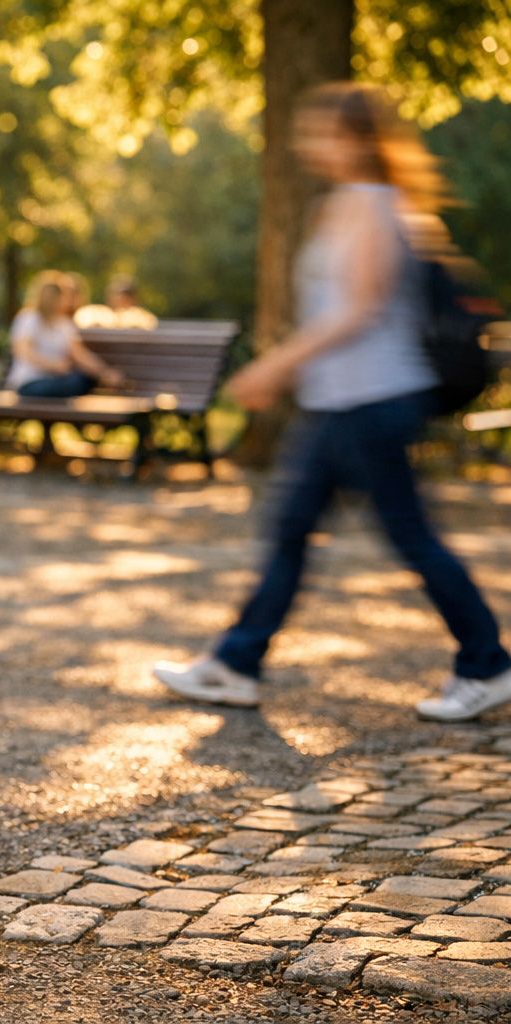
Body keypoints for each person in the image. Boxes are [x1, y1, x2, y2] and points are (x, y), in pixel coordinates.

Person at [153, 82, 511, 721]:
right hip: (340, 402)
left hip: (374, 399)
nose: (312, 144)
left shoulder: (377, 205)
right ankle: (236, 662)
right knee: (294, 529)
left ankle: (487, 663)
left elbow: (359, 309)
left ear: (359, 141)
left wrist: (274, 365)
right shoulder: (342, 204)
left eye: (326, 133)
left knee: (407, 537)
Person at [5, 270, 124, 398]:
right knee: (74, 383)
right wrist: (53, 365)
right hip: (29, 381)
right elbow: (24, 351)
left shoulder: (64, 324)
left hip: (57, 380)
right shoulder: (29, 318)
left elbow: (80, 355)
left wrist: (105, 372)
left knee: (83, 379)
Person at [75, 275, 158, 330]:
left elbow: (149, 327)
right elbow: (81, 322)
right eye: (115, 294)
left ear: (133, 298)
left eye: (125, 295)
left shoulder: (141, 316)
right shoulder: (96, 311)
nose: (119, 299)